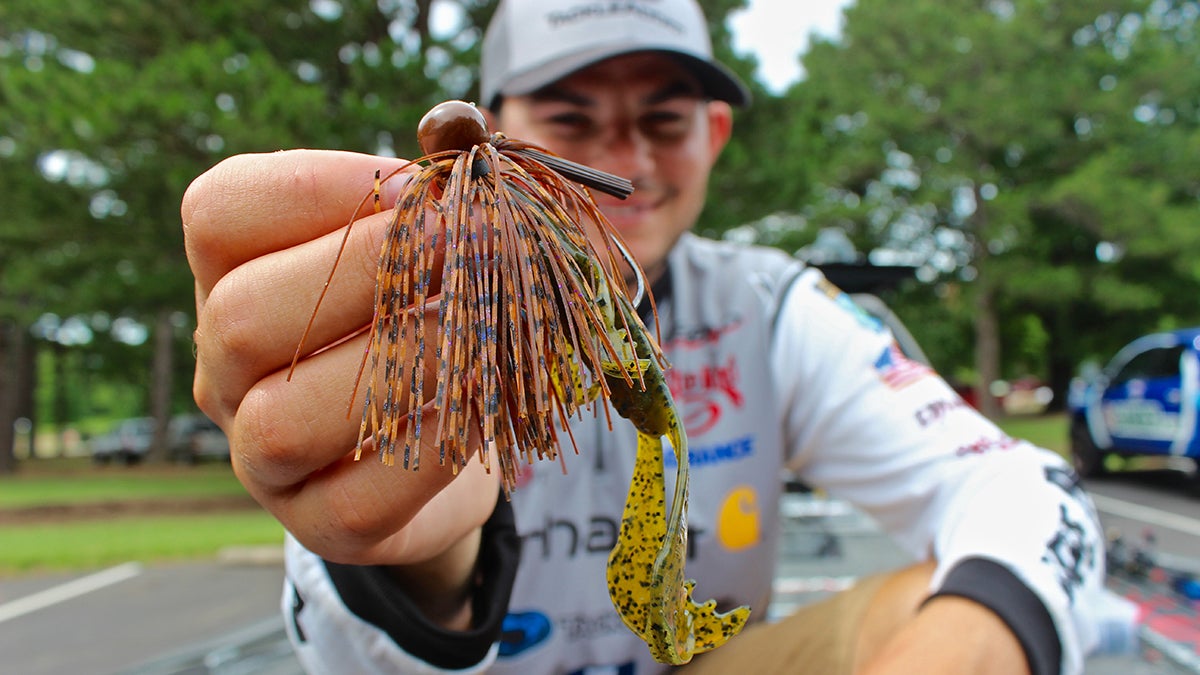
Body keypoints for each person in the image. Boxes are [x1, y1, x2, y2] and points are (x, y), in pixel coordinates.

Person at [182, 0, 1113, 673]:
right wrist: (416, 551)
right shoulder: (413, 299)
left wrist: (965, 646)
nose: (623, 162)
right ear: (497, 135)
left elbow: (1019, 487)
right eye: (573, 119)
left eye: (662, 122)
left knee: (934, 598)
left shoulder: (774, 304)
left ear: (714, 134)